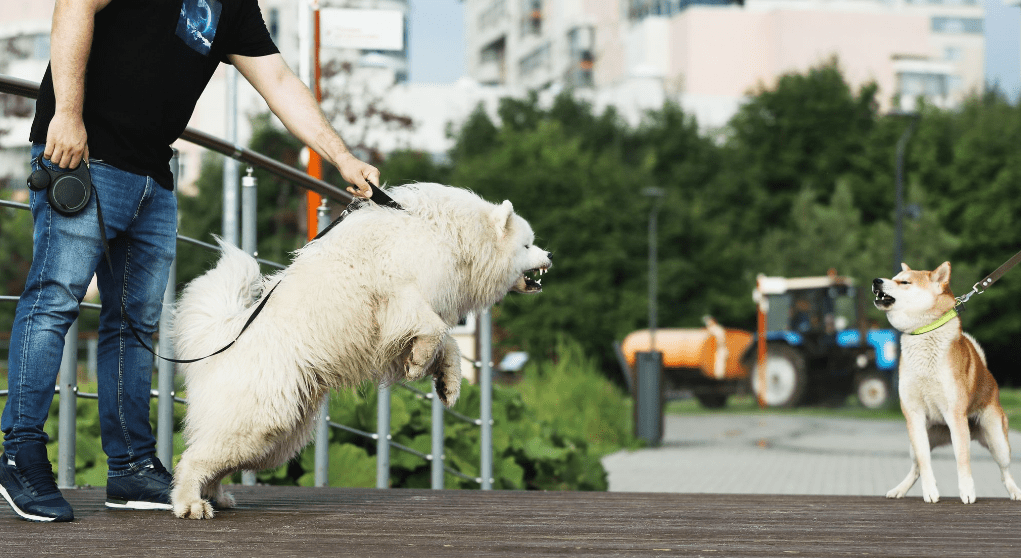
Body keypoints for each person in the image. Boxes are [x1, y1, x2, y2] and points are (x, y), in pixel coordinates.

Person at [0, 0, 379, 522]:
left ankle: (130, 465)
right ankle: (19, 454)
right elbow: (74, 6)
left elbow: (280, 82)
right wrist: (66, 114)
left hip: (153, 176)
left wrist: (343, 158)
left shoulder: (235, 6)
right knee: (54, 302)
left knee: (135, 324)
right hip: (82, 156)